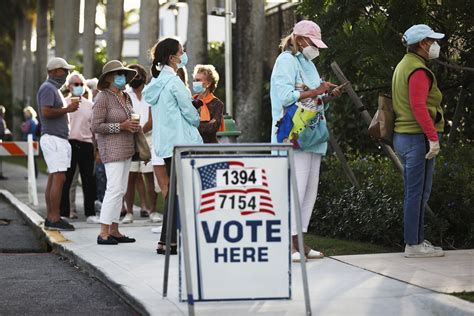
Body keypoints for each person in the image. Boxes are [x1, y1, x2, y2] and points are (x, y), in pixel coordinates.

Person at [270, 20, 342, 262]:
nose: (315, 48)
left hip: (311, 134)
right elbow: (285, 97)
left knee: (309, 190)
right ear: (300, 40)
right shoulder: (285, 61)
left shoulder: (306, 63)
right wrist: (317, 90)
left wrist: (327, 95)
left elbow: (312, 102)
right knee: (296, 189)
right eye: (312, 43)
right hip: (293, 136)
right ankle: (288, 243)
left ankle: (299, 240)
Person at [143, 37, 203, 254]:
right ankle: (167, 241)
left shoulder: (156, 83)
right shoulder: (175, 82)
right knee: (178, 192)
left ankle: (169, 241)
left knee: (175, 191)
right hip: (182, 142)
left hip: (166, 144)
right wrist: (195, 111)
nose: (183, 54)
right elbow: (190, 115)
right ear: (172, 57)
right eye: (181, 51)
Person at [392, 24, 446, 258]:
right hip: (417, 138)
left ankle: (417, 241)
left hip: (405, 137)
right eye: (432, 40)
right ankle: (413, 244)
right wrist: (433, 138)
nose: (435, 44)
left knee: (416, 191)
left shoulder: (404, 65)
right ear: (423, 43)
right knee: (417, 193)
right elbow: (418, 107)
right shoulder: (417, 70)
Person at [91, 60, 139, 245]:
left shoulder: (125, 96)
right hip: (111, 149)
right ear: (109, 77)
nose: (122, 77)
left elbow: (131, 118)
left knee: (121, 190)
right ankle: (103, 232)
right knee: (113, 189)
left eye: (123, 74)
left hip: (127, 148)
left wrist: (132, 125)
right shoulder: (103, 97)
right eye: (118, 74)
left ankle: (115, 230)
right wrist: (121, 126)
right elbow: (96, 126)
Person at [37, 57, 77, 231]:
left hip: (56, 138)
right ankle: (54, 217)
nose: (66, 73)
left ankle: (51, 217)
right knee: (59, 177)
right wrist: (67, 109)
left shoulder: (53, 89)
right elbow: (46, 112)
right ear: (53, 71)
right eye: (63, 70)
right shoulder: (47, 88)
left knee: (55, 177)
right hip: (54, 138)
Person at [122, 64, 161, 224]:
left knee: (149, 175)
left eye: (137, 75)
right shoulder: (125, 95)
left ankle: (152, 211)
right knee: (130, 177)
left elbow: (152, 120)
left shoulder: (150, 93)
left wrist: (140, 134)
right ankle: (129, 213)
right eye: (132, 76)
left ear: (143, 77)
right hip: (130, 139)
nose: (135, 79)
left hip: (149, 139)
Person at [59, 72, 99, 224]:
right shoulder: (64, 104)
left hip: (86, 144)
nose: (79, 87)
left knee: (89, 180)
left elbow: (94, 129)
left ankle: (90, 213)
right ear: (69, 86)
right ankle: (64, 213)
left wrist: (98, 149)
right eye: (76, 84)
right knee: (66, 180)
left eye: (81, 84)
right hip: (69, 144)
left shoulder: (90, 105)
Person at [192, 64, 224, 143]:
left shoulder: (217, 104)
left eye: (198, 80)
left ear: (208, 84)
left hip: (210, 149)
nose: (195, 83)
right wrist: (206, 124)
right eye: (194, 80)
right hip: (192, 148)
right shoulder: (190, 101)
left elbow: (212, 128)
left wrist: (193, 126)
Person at [21, 106, 39, 178]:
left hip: (28, 140)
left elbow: (25, 131)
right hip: (34, 139)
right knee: (33, 158)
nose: (25, 115)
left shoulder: (28, 122)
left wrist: (22, 126)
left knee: (29, 159)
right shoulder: (35, 121)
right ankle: (35, 174)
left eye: (26, 113)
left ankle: (31, 175)